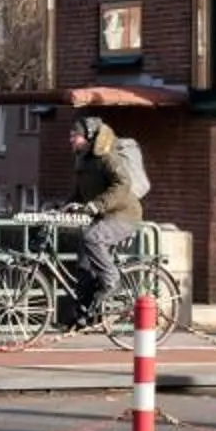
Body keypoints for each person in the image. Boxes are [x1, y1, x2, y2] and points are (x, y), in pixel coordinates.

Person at [66, 113, 146, 326]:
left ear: (89, 137)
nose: (71, 139)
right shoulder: (83, 159)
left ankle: (112, 280)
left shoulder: (107, 157)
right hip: (101, 215)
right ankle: (84, 315)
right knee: (84, 265)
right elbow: (80, 191)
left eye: (75, 135)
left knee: (92, 238)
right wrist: (64, 207)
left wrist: (96, 205)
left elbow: (122, 184)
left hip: (123, 215)